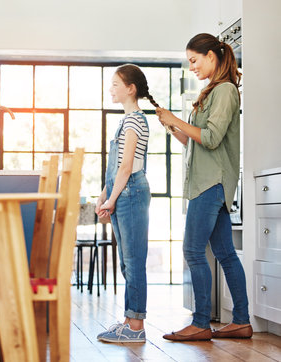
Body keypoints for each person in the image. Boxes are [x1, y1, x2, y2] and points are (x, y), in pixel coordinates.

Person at [156, 33, 253, 342]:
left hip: (211, 183)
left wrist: (178, 120)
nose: (192, 67)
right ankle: (241, 321)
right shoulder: (211, 92)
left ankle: (200, 323)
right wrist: (171, 125)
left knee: (194, 251)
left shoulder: (225, 90)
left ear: (212, 55)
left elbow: (211, 139)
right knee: (225, 252)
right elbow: (193, 142)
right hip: (208, 181)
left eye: (194, 60)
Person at [95, 64, 158, 343]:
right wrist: (102, 196)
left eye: (115, 84)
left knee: (134, 262)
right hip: (124, 191)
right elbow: (116, 168)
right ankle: (129, 321)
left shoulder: (135, 121)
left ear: (130, 89)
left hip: (131, 191)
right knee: (126, 262)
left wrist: (111, 199)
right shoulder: (125, 120)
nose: (111, 89)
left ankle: (136, 327)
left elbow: (126, 168)